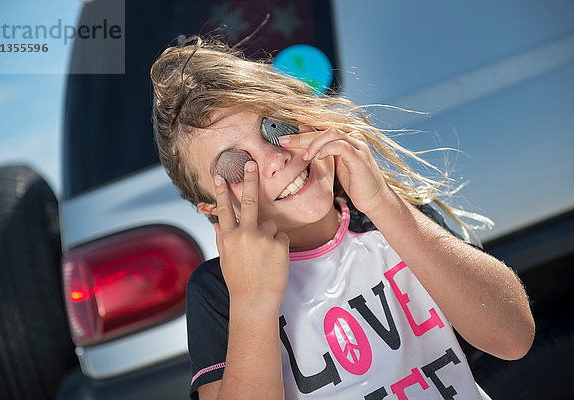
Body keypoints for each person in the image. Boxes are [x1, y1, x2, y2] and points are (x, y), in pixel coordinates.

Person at [150, 36, 535, 400]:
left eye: (276, 125)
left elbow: (514, 337)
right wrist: (253, 301)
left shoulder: (395, 220)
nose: (276, 159)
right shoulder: (221, 291)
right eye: (236, 165)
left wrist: (384, 204)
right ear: (214, 208)